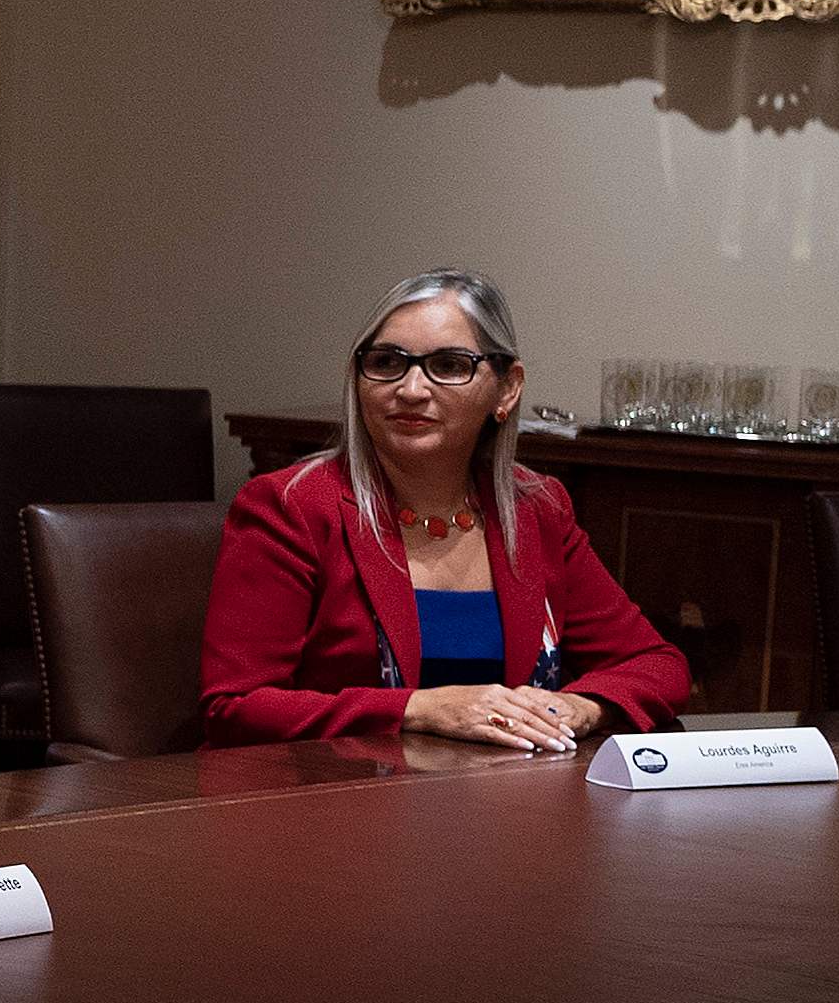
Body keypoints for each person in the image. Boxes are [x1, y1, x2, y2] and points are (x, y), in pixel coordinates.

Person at [200, 269, 687, 750]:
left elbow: (657, 664)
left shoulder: (536, 507)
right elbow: (235, 707)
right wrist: (420, 709)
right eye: (388, 362)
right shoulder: (291, 506)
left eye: (450, 365)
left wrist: (580, 707)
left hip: (505, 804)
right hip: (327, 806)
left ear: (507, 388)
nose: (411, 389)